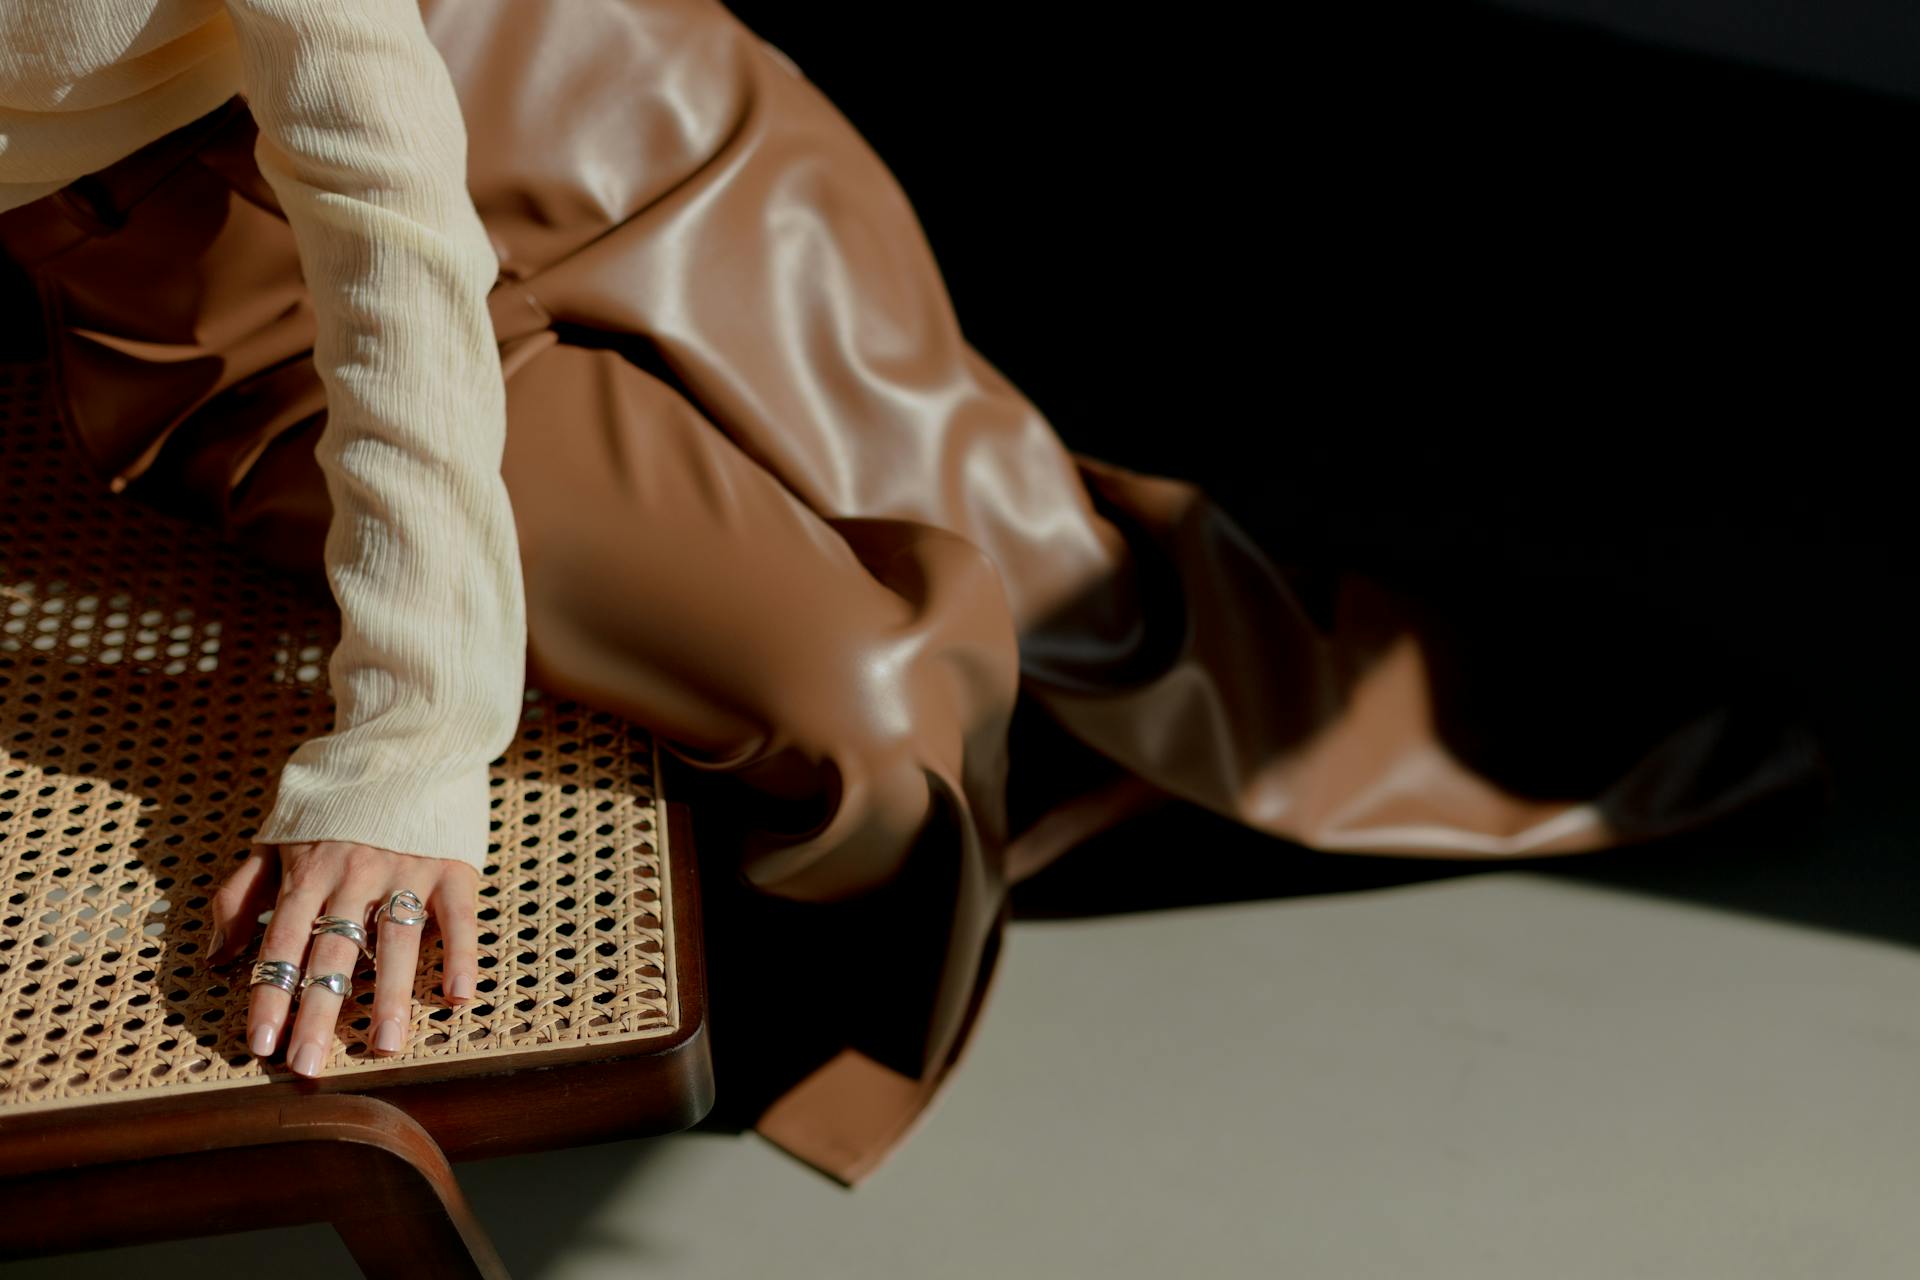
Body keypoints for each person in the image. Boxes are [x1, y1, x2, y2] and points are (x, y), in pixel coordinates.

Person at [0, 0, 1820, 1186]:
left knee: (1039, 556)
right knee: (862, 703)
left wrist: (401, 744)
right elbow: (371, 295)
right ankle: (969, 849)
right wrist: (418, 745)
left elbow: (388, 200)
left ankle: (1231, 742)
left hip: (543, 78)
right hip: (213, 275)